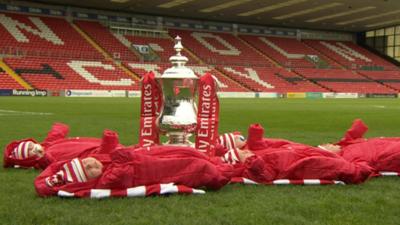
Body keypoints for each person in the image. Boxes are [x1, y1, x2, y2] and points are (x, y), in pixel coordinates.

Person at [34, 145, 249, 197]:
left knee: (190, 155)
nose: (93, 165)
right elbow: (122, 160)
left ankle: (229, 164)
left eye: (88, 162)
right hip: (161, 172)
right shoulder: (105, 181)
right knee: (200, 168)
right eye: (88, 170)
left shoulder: (106, 168)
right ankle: (233, 169)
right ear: (88, 180)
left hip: (156, 162)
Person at [217, 124, 373, 185]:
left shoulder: (254, 154)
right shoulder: (251, 167)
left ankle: (352, 156)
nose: (246, 151)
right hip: (297, 163)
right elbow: (265, 175)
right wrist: (251, 159)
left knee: (332, 156)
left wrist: (255, 136)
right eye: (242, 152)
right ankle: (358, 169)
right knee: (329, 164)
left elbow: (267, 147)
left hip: (295, 154)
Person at [3, 123, 123, 169]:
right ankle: (111, 145)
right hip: (98, 153)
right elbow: (51, 164)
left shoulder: (47, 145)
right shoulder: (43, 158)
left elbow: (57, 133)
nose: (33, 147)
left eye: (30, 144)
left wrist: (58, 128)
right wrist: (42, 157)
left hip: (94, 145)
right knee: (107, 155)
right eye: (29, 150)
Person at [318, 119, 400, 175]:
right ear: (330, 153)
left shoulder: (345, 145)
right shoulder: (348, 158)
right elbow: (362, 169)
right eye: (326, 145)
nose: (329, 143)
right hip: (388, 151)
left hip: (382, 144)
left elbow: (354, 133)